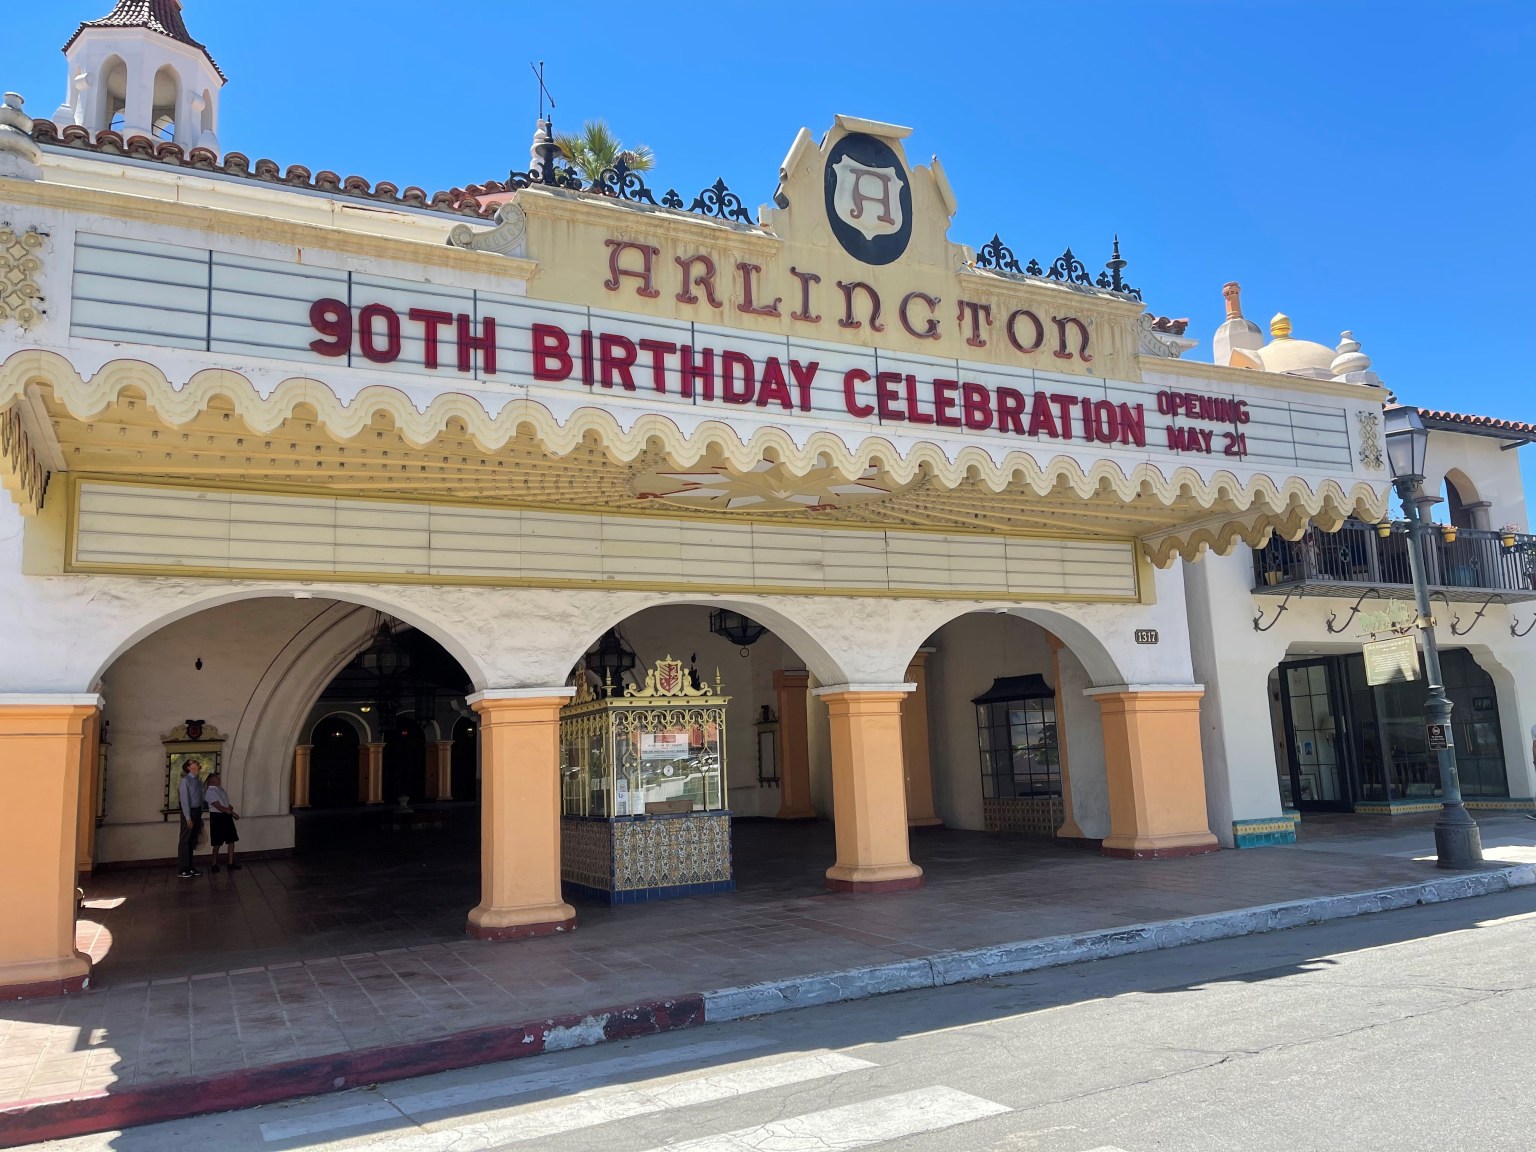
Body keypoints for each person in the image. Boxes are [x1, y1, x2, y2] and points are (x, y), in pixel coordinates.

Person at [203, 771, 241, 872]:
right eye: (216, 778)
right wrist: (232, 813)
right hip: (217, 818)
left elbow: (224, 803)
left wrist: (230, 808)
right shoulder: (210, 792)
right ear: (212, 781)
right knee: (217, 842)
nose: (219, 780)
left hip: (226, 816)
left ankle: (230, 862)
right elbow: (218, 807)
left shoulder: (220, 789)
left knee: (231, 839)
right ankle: (214, 863)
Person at [176, 759, 205, 878]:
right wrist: (188, 818)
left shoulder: (198, 782)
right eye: (194, 762)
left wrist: (200, 815)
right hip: (188, 812)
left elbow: (200, 798)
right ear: (188, 767)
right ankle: (183, 868)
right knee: (185, 840)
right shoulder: (185, 781)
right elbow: (184, 800)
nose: (198, 763)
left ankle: (190, 867)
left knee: (192, 840)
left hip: (197, 811)